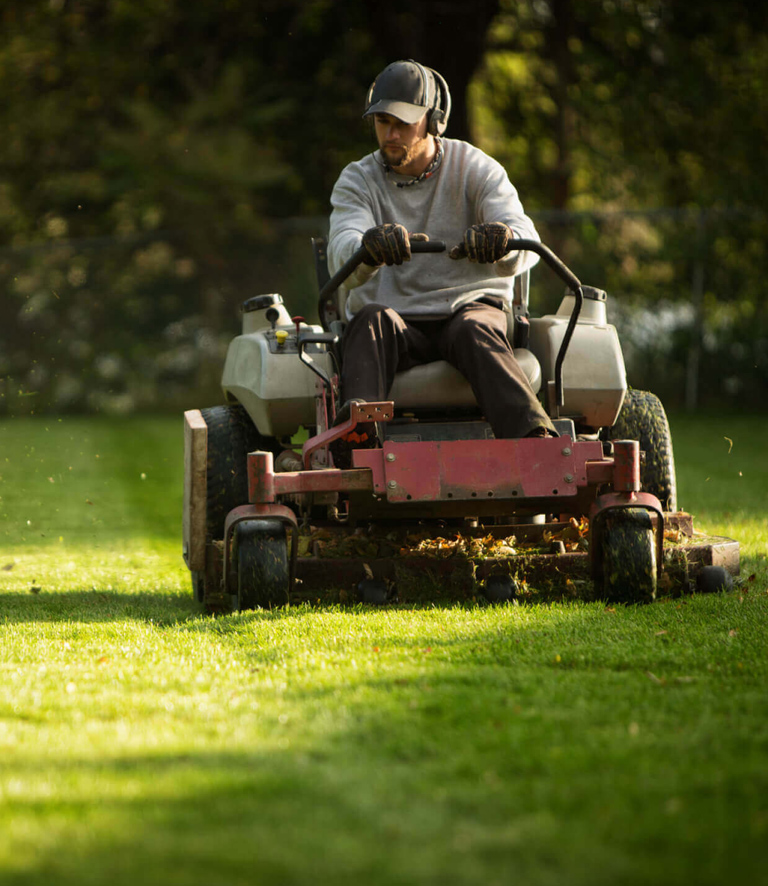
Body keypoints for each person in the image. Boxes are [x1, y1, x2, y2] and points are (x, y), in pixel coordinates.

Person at [327, 59, 556, 454]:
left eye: (403, 123)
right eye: (382, 122)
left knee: (474, 328)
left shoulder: (476, 169)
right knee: (368, 321)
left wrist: (502, 239)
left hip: (468, 310)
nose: (391, 134)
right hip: (394, 320)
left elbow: (525, 237)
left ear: (434, 121)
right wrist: (368, 248)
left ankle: (537, 448)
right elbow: (341, 248)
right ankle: (357, 449)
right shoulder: (357, 179)